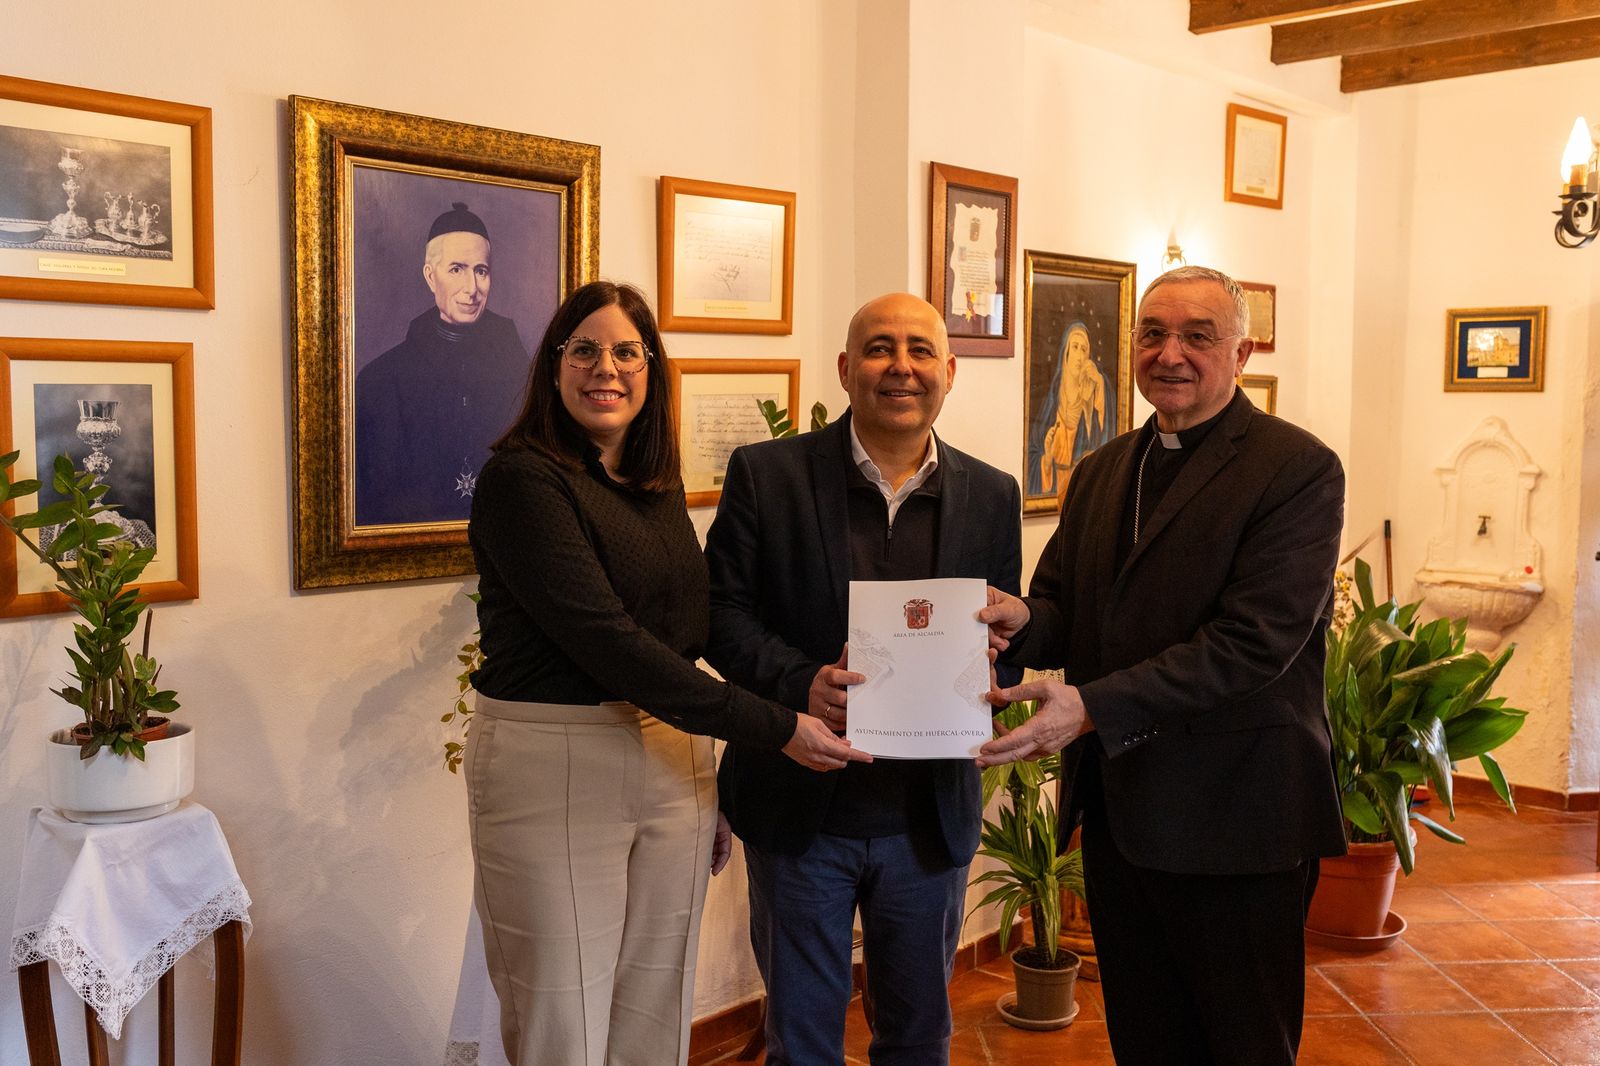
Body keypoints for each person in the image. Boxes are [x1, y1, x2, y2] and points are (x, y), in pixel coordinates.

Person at [464, 281, 866, 1066]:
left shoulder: (652, 483)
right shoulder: (522, 481)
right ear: (553, 368)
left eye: (625, 351)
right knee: (561, 1020)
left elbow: (695, 624)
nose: (604, 367)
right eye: (583, 349)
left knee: (655, 1004)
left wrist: (799, 684)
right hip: (555, 763)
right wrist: (776, 728)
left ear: (650, 371)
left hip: (670, 757)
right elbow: (609, 642)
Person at [978, 265, 1346, 1065]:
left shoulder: (1296, 469)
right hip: (1124, 814)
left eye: (1197, 336)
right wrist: (1023, 621)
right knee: (1144, 1037)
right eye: (1152, 334)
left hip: (1239, 815)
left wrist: (1093, 706)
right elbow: (1068, 608)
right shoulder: (1104, 467)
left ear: (1241, 352)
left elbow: (1255, 642)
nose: (1170, 353)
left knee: (1241, 1041)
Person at [704, 292, 1022, 1065]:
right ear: (847, 369)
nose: (901, 367)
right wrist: (800, 681)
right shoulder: (766, 474)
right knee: (802, 1040)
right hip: (799, 813)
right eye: (880, 348)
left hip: (925, 818)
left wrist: (994, 659)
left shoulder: (992, 494)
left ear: (949, 371)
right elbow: (720, 615)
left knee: (918, 1038)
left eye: (920, 351)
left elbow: (1003, 641)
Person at [355, 201, 531, 526]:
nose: (472, 289)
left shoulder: (525, 372)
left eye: (481, 271)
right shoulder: (381, 382)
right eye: (456, 269)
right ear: (430, 277)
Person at [1028, 320, 1111, 499]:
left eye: (1084, 349)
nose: (1080, 356)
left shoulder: (1092, 393)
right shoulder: (1050, 397)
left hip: (1080, 493)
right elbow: (1033, 453)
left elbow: (1103, 443)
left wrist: (1097, 389)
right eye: (1075, 347)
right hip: (1055, 489)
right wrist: (1047, 459)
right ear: (1065, 353)